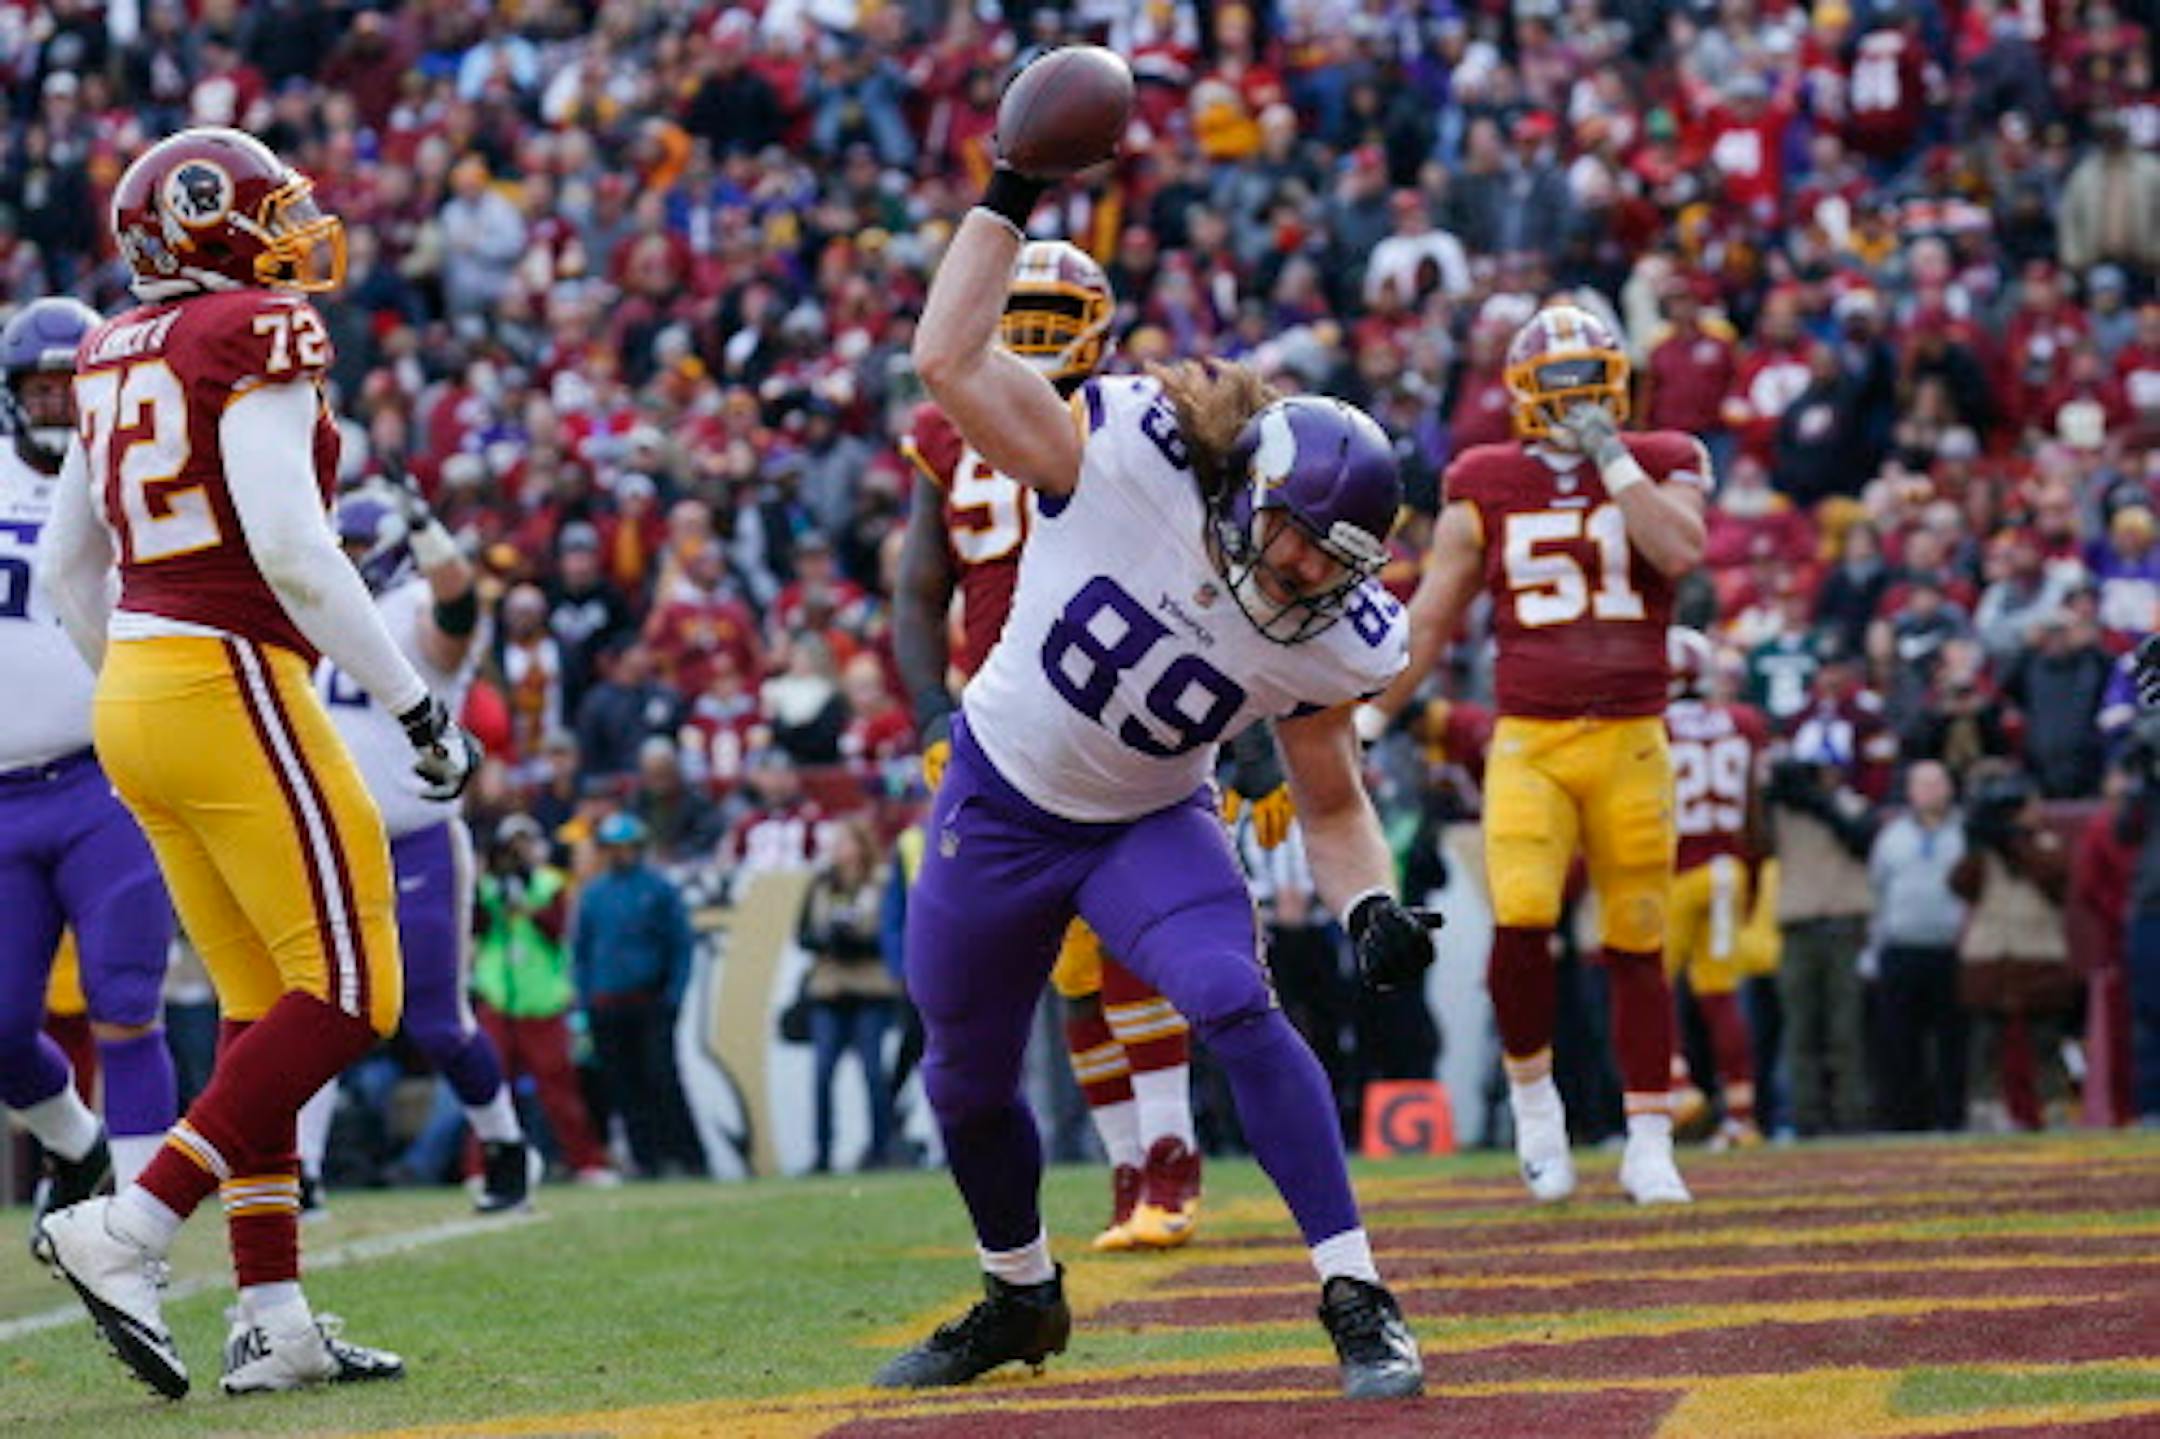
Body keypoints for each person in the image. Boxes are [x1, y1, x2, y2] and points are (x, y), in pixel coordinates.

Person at [876, 147, 1430, 1400]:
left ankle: (1357, 1289)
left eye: (1324, 566)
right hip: (1000, 794)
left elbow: (1334, 799)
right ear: (1249, 490)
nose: (1296, 577)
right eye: (1287, 543)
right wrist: (1010, 186)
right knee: (961, 1070)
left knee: (1234, 998)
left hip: (1146, 817)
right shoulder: (1120, 450)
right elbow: (948, 361)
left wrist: (1369, 903)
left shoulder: (1335, 624)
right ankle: (1019, 1293)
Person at [36, 127, 477, 1399]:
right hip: (228, 670)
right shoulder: (252, 331)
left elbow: (76, 568)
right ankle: (128, 1224)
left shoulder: (113, 346)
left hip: (137, 686)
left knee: (259, 1003)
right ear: (200, 224)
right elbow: (291, 544)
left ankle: (273, 1315)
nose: (291, 231)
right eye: (265, 209)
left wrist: (140, 665)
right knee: (351, 991)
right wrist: (413, 705)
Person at [894, 240, 1277, 1253]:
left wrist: (1255, 743)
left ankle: (1171, 1157)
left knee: (1132, 951)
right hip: (1009, 728)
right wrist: (931, 708)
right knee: (1067, 970)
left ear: (1098, 329)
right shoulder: (947, 435)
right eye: (1013, 314)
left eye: (1051, 319)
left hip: (1128, 714)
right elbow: (919, 589)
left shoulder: (1139, 425)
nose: (1028, 338)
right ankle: (1124, 1168)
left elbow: (1224, 581)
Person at [1376, 302, 1708, 1206]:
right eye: (1559, 388)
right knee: (1522, 918)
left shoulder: (1665, 457)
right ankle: (1537, 1114)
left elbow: (1681, 549)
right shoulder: (1484, 477)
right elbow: (1434, 617)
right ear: (1522, 394)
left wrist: (1611, 458)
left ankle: (1648, 1139)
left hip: (1634, 735)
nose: (1576, 402)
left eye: (1590, 384)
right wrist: (1370, 718)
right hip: (1531, 735)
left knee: (1639, 935)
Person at [297, 480, 531, 1213]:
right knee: (316, 1008)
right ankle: (299, 1170)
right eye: (347, 547)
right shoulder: (316, 611)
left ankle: (504, 1147)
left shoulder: (413, 608)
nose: (353, 559)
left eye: (364, 547)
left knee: (435, 1017)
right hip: (337, 841)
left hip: (419, 837)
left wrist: (433, 533)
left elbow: (458, 613)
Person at [1, 297, 179, 1232]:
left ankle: (137, 1234)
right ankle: (78, 1146)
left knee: (124, 999)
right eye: (37, 390)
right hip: (0, 801)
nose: (55, 408)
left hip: (99, 775)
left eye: (68, 390)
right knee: (0, 1027)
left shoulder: (126, 474)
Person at [1663, 628, 1772, 1149]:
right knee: (1721, 995)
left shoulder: (1654, 726)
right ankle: (1742, 1117)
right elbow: (1754, 810)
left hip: (1672, 871)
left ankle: (1679, 1086)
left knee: (1650, 985)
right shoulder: (1743, 724)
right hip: (1726, 869)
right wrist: (1750, 875)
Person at [472, 815, 617, 1186]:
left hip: (542, 1000)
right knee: (486, 1086)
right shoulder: (487, 886)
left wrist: (526, 906)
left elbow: (557, 930)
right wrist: (491, 891)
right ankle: (480, 1168)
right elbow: (476, 927)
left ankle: (587, 1162)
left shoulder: (550, 884)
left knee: (559, 1089)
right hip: (499, 997)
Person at [573, 811, 700, 1176]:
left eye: (626, 847)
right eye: (612, 848)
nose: (619, 854)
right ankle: (647, 1160)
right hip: (607, 1005)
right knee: (623, 1087)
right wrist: (585, 1002)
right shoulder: (594, 895)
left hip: (650, 1001)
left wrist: (674, 995)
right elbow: (582, 953)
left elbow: (681, 946)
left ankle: (688, 1157)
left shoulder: (658, 888)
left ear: (639, 848)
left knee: (662, 1079)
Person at [1867, 760, 1971, 1131]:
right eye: (1922, 784)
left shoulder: (1966, 833)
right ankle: (1905, 1122)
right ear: (1909, 791)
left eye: (1937, 783)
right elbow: (1876, 891)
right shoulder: (1892, 836)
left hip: (1950, 950)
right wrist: (1872, 951)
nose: (1930, 791)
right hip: (1901, 948)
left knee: (1952, 1042)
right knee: (1900, 1043)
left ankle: (1951, 1119)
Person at [796, 816, 902, 1172]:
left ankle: (882, 1147)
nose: (837, 851)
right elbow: (803, 934)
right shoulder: (821, 885)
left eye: (844, 842)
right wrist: (828, 939)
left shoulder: (881, 882)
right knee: (822, 1072)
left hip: (870, 987)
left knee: (873, 1071)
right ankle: (822, 1152)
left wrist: (858, 941)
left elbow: (889, 930)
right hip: (829, 988)